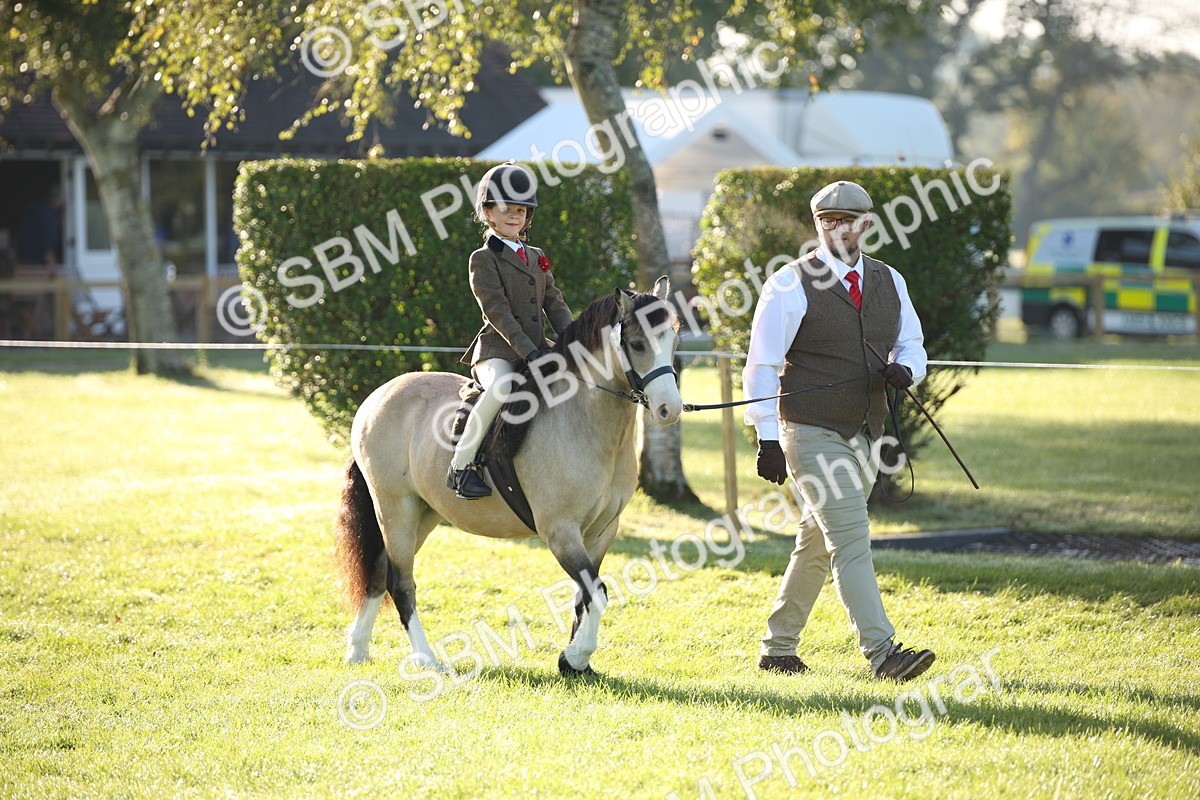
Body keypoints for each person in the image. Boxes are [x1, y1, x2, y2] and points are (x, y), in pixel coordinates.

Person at [743, 180, 935, 681]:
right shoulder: (789, 283)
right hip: (809, 430)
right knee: (851, 538)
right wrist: (767, 437)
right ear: (817, 224)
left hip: (866, 431)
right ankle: (884, 653)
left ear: (865, 224)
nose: (836, 229)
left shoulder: (890, 280)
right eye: (827, 221)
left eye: (846, 221)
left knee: (816, 540)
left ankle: (777, 648)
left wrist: (907, 369)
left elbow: (912, 342)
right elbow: (761, 365)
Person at [447, 162, 574, 499]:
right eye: (505, 209)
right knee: (503, 388)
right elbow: (498, 313)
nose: (514, 216)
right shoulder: (483, 258)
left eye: (520, 210)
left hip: (538, 348)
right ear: (488, 213)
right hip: (498, 351)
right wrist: (530, 353)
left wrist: (576, 340)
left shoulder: (537, 256)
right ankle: (461, 466)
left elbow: (555, 303)